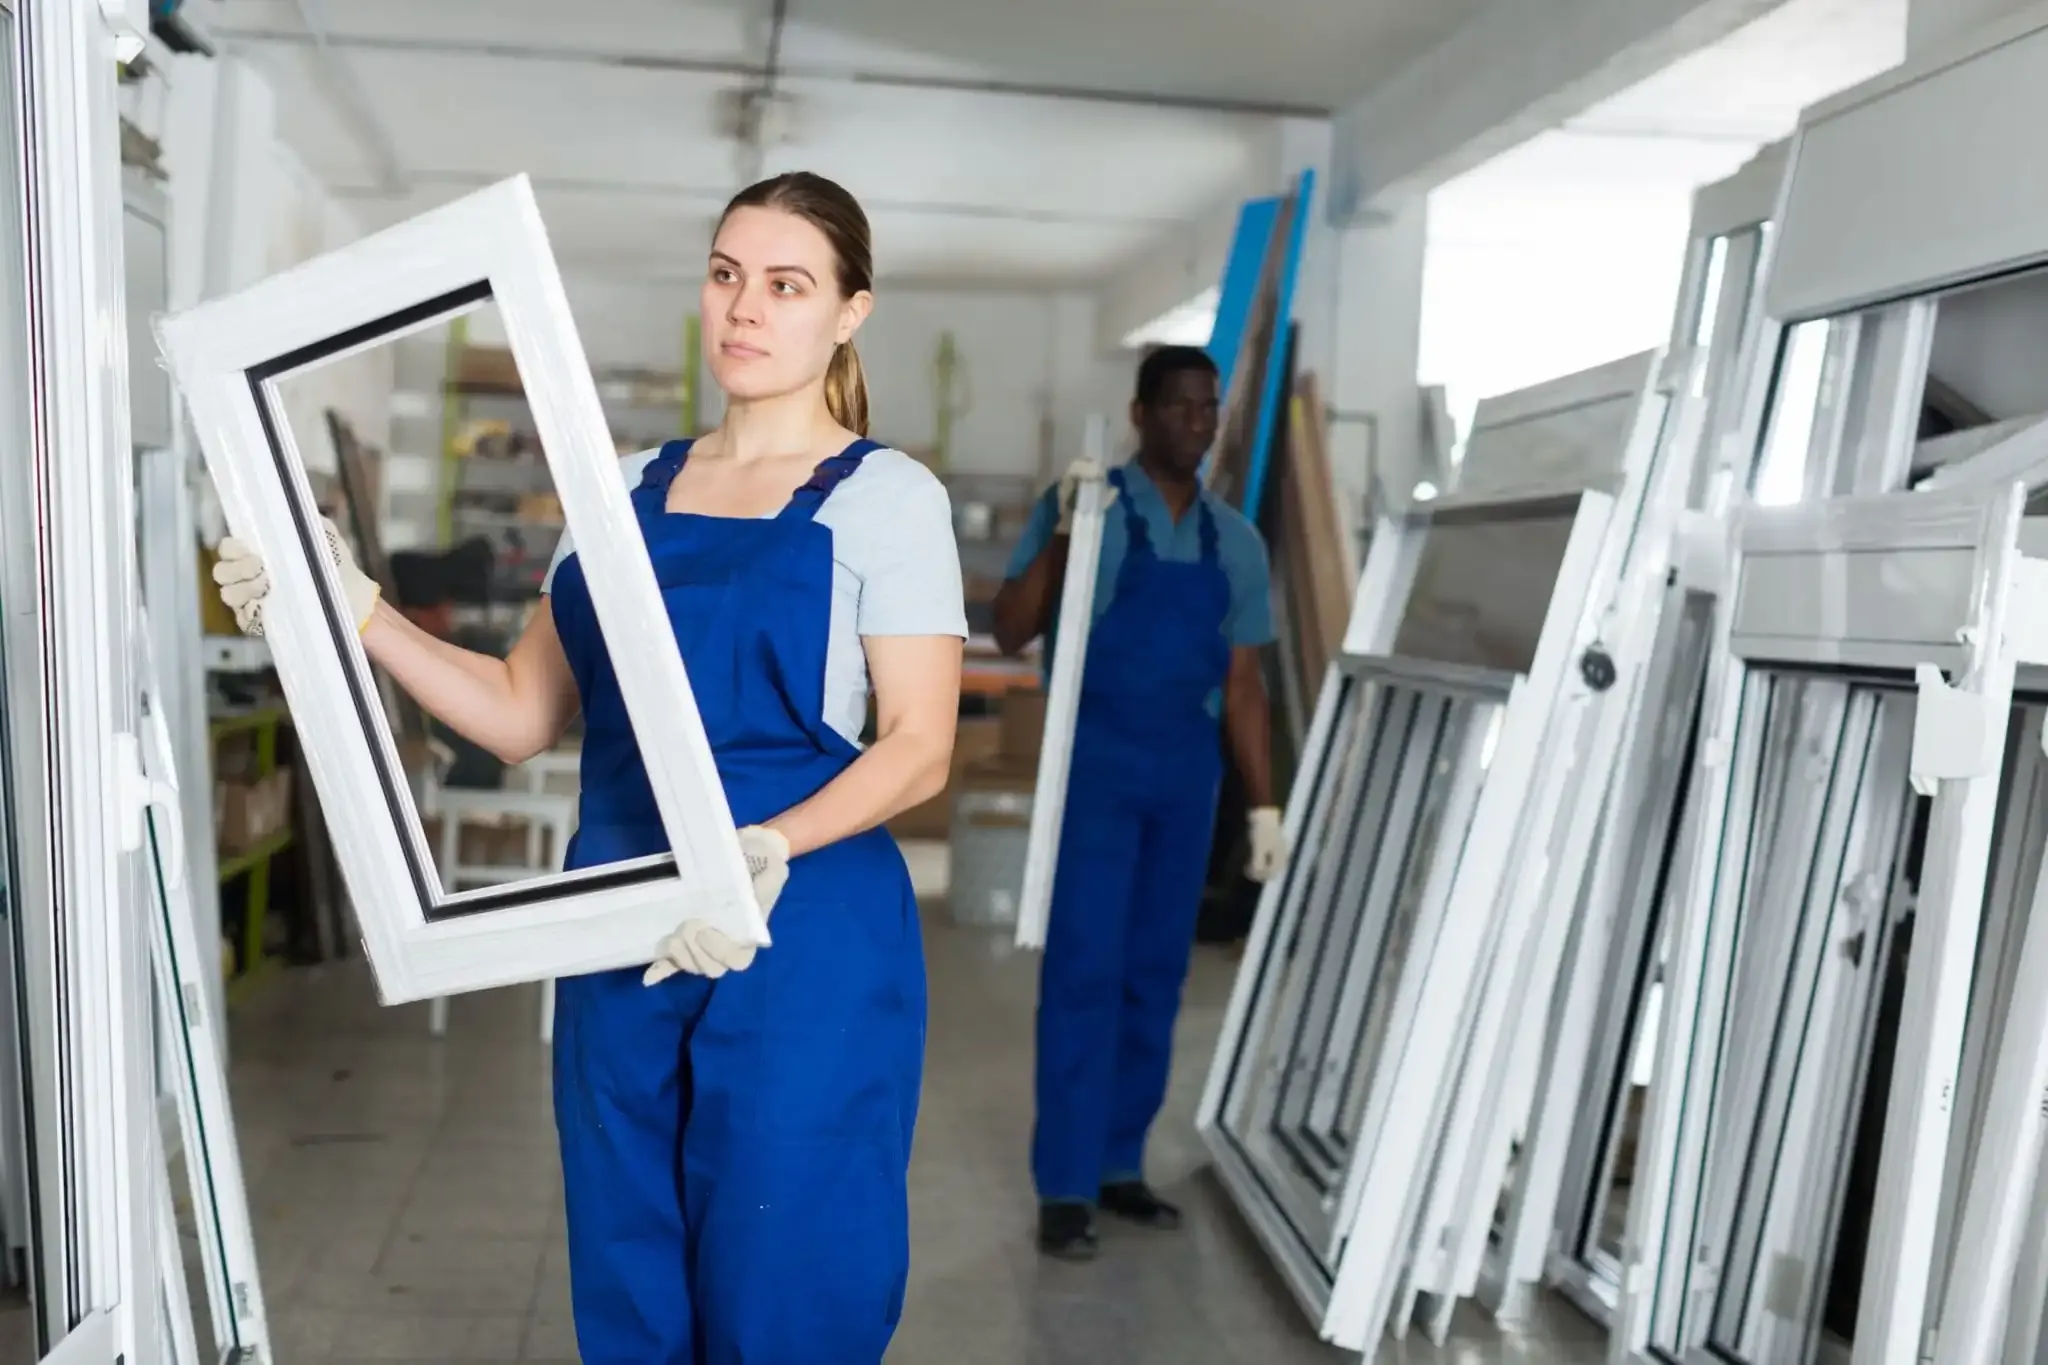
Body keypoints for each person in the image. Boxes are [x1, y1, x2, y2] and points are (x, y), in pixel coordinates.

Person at [212, 172, 967, 1362]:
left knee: (787, 1274)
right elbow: (520, 713)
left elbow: (920, 744)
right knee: (629, 1272)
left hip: (802, 926)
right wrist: (349, 605)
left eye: (786, 285)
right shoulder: (620, 491)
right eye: (726, 275)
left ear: (849, 312)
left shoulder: (887, 500)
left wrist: (761, 850)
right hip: (617, 922)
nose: (745, 309)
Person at [992, 344, 1291, 1261]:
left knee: (1156, 974)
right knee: (1084, 967)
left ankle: (1121, 1164)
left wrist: (1263, 809)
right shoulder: (1087, 504)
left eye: (1210, 409)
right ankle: (1067, 1184)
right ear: (1141, 412)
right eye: (1183, 407)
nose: (1200, 423)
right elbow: (1011, 629)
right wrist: (1068, 531)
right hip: (1098, 766)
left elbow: (1243, 686)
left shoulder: (1233, 540)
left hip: (1185, 775)